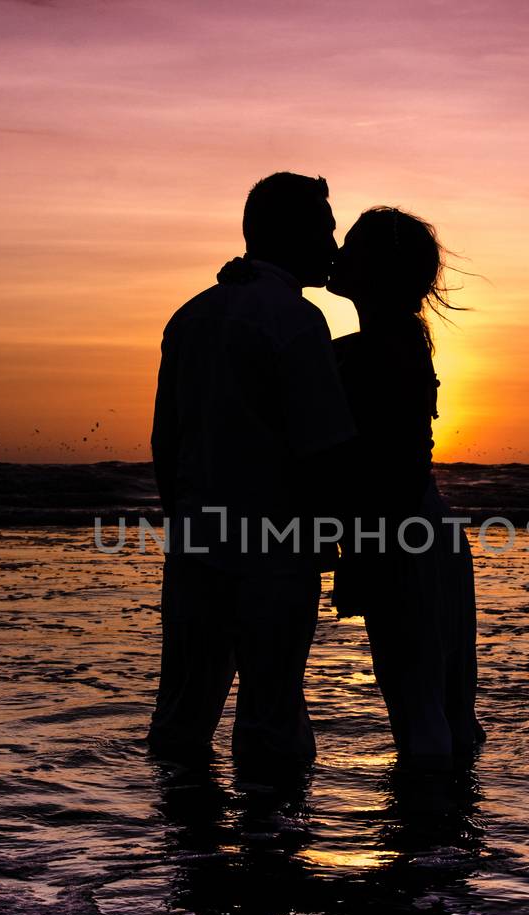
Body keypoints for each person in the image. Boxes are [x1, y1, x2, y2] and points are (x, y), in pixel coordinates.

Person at [148, 172, 354, 768]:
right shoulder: (296, 320)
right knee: (272, 717)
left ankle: (186, 843)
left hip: (195, 545)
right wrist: (330, 541)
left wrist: (180, 526)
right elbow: (322, 449)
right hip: (274, 551)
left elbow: (167, 440)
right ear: (290, 234)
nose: (333, 247)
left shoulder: (191, 316)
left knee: (183, 713)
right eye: (325, 231)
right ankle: (272, 847)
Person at [326, 207, 483, 767]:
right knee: (442, 704)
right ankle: (447, 829)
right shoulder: (388, 343)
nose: (336, 255)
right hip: (424, 526)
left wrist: (361, 553)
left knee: (417, 704)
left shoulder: (377, 350)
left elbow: (394, 465)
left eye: (349, 247)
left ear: (374, 268)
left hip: (400, 530)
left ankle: (430, 839)